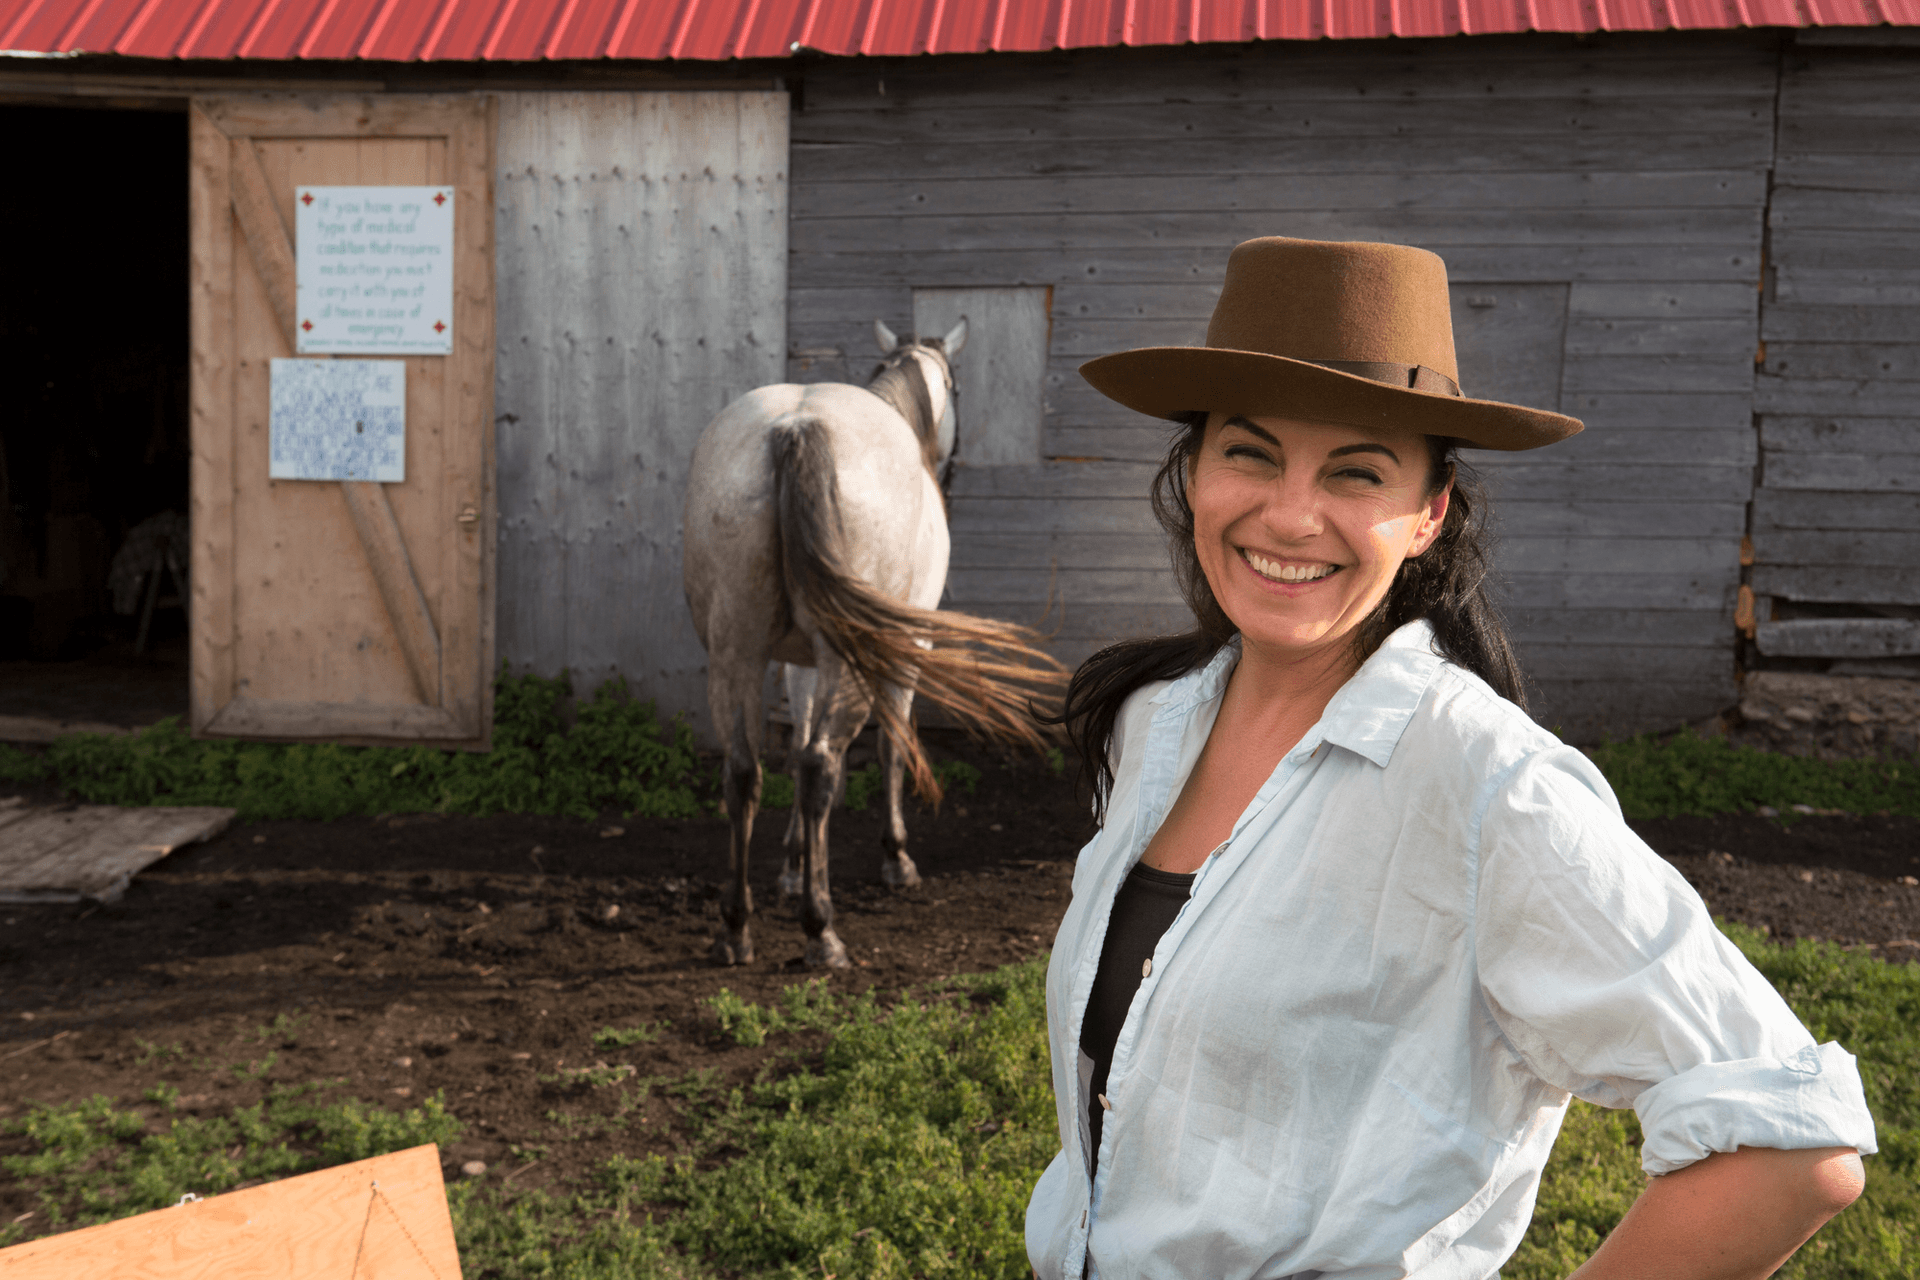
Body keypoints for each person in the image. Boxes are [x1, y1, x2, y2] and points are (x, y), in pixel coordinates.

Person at [1024, 237, 1875, 1280]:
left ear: (1428, 514)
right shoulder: (1151, 723)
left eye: (1356, 472)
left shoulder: (1488, 784)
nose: (1290, 514)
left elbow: (1793, 1144)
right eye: (1250, 453)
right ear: (1194, 471)